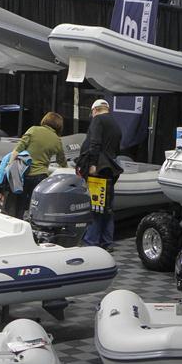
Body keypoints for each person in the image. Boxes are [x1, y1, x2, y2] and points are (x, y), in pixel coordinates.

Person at [79, 99, 123, 251]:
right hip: (110, 170)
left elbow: (95, 143)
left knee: (96, 206)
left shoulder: (98, 120)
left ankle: (91, 241)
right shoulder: (116, 124)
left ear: (95, 110)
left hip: (97, 170)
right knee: (107, 207)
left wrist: (92, 164)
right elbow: (117, 149)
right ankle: (107, 242)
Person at [8, 112, 68, 219]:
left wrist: (8, 166)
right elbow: (62, 161)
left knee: (19, 206)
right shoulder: (57, 140)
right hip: (41, 177)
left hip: (24, 174)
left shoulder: (33, 130)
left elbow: (17, 150)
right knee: (35, 207)